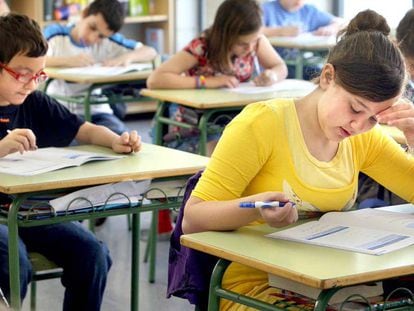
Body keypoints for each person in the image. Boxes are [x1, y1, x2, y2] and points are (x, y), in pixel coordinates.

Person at [182, 9, 414, 310]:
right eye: (355, 109)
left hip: (332, 283)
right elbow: (193, 219)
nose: (359, 125)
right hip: (254, 285)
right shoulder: (262, 124)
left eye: (373, 118)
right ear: (328, 76)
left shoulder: (362, 138)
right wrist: (255, 207)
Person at [0, 12, 142, 310]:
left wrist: (115, 140)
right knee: (14, 262)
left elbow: (82, 128)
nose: (31, 84)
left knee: (93, 254)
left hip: (29, 211)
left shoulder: (33, 102)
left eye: (39, 75)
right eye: (23, 74)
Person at [147, 0, 288, 155]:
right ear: (226, 35)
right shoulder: (202, 47)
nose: (250, 48)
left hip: (233, 124)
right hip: (194, 129)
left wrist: (272, 75)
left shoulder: (256, 42)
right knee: (230, 154)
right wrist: (209, 82)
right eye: (242, 43)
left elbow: (280, 67)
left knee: (270, 148)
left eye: (254, 40)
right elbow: (155, 79)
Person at [44, 0, 157, 135]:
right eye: (92, 27)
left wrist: (124, 58)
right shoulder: (56, 34)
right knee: (70, 143)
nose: (93, 38)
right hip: (61, 110)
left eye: (101, 36)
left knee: (123, 139)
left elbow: (150, 51)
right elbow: (34, 59)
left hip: (96, 111)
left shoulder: (109, 42)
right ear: (84, 15)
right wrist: (68, 60)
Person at [261, 0, 345, 79]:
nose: (299, 2)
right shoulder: (267, 9)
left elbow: (340, 22)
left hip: (303, 61)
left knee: (326, 75)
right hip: (277, 65)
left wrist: (331, 28)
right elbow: (254, 31)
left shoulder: (308, 10)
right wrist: (281, 31)